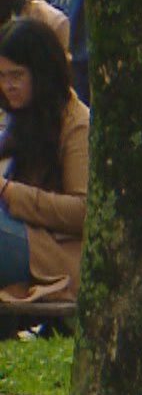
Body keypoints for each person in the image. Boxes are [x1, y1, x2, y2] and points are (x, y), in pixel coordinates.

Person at [0, 16, 88, 304]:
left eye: (16, 76)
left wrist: (9, 192)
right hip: (28, 238)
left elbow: (83, 211)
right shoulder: (23, 120)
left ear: (41, 74)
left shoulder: (76, 124)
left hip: (59, 256)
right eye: (1, 77)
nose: (8, 86)